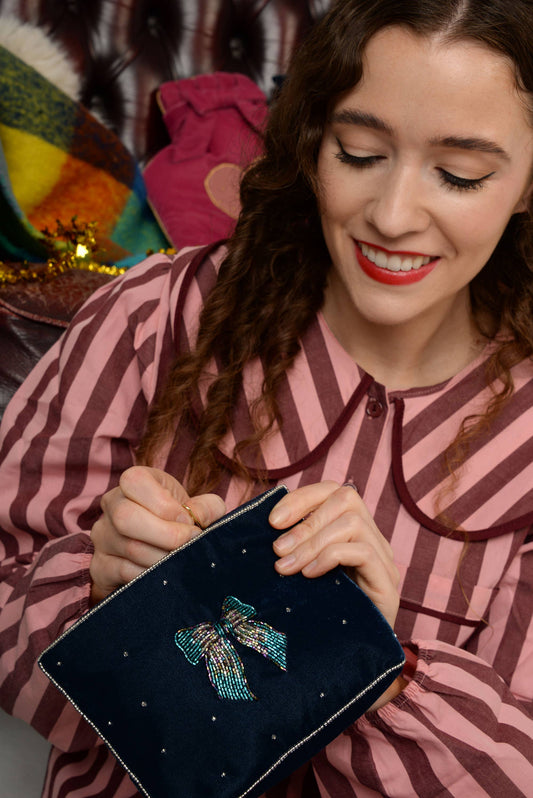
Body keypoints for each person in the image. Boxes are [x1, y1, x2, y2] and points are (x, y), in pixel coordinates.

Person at [1, 0, 533, 795]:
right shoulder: (155, 318)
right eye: (358, 153)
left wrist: (375, 670)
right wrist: (95, 585)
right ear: (313, 141)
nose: (391, 217)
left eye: (459, 174)